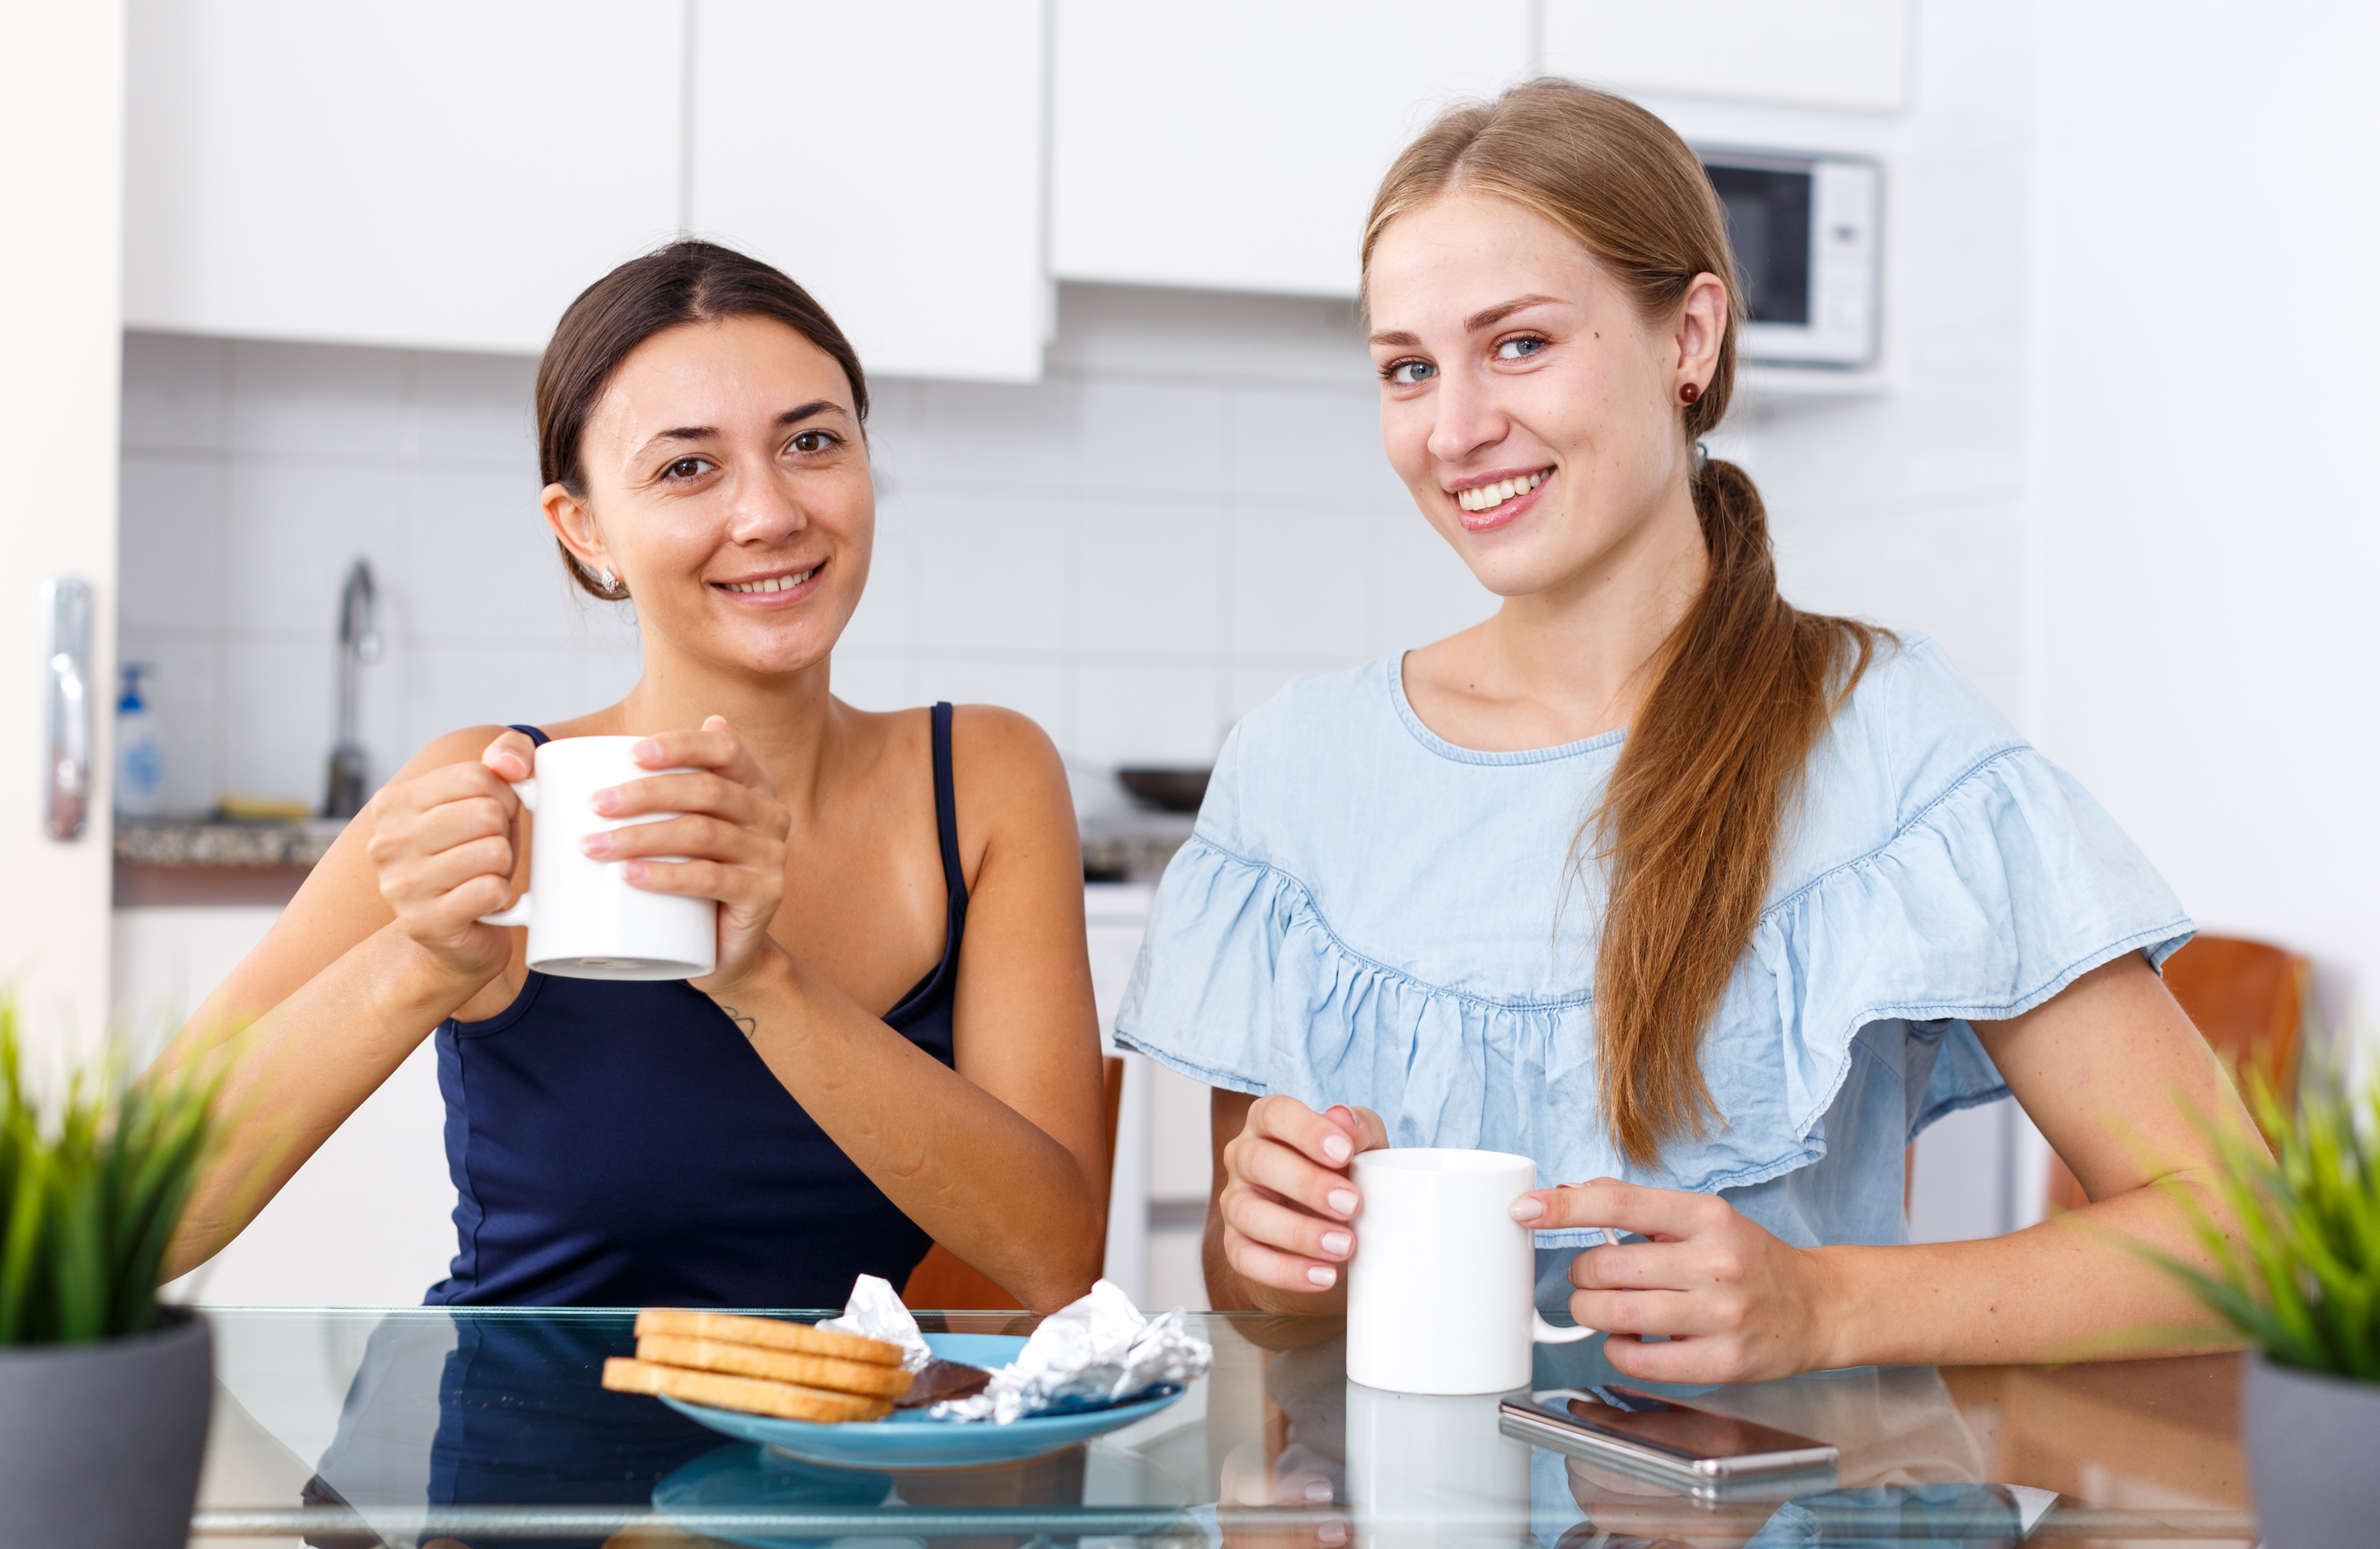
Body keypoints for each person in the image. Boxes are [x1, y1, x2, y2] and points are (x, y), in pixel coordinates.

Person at [1115, 81, 2253, 1380]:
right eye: (1409, 369)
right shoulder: (1294, 770)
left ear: (1688, 339)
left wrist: (1827, 1306)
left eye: (1522, 345)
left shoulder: (1886, 739)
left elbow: (2242, 1238)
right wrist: (1261, 1243)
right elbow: (1269, 1312)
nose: (1455, 427)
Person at [157, 241, 1109, 1313]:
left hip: (822, 1465)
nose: (771, 513)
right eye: (686, 467)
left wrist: (759, 976)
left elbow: (1052, 1258)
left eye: (810, 441)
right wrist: (420, 965)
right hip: (511, 1466)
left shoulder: (981, 780)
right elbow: (135, 1220)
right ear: (585, 529)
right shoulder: (494, 792)